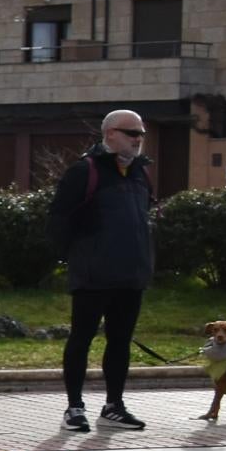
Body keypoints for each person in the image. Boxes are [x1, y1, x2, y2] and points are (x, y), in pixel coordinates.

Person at [49, 107, 155, 433]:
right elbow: (58, 219)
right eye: (131, 133)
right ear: (110, 134)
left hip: (131, 274)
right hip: (93, 274)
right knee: (81, 338)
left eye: (140, 135)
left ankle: (114, 406)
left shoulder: (140, 173)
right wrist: (71, 258)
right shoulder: (85, 171)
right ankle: (74, 407)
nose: (138, 140)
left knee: (120, 342)